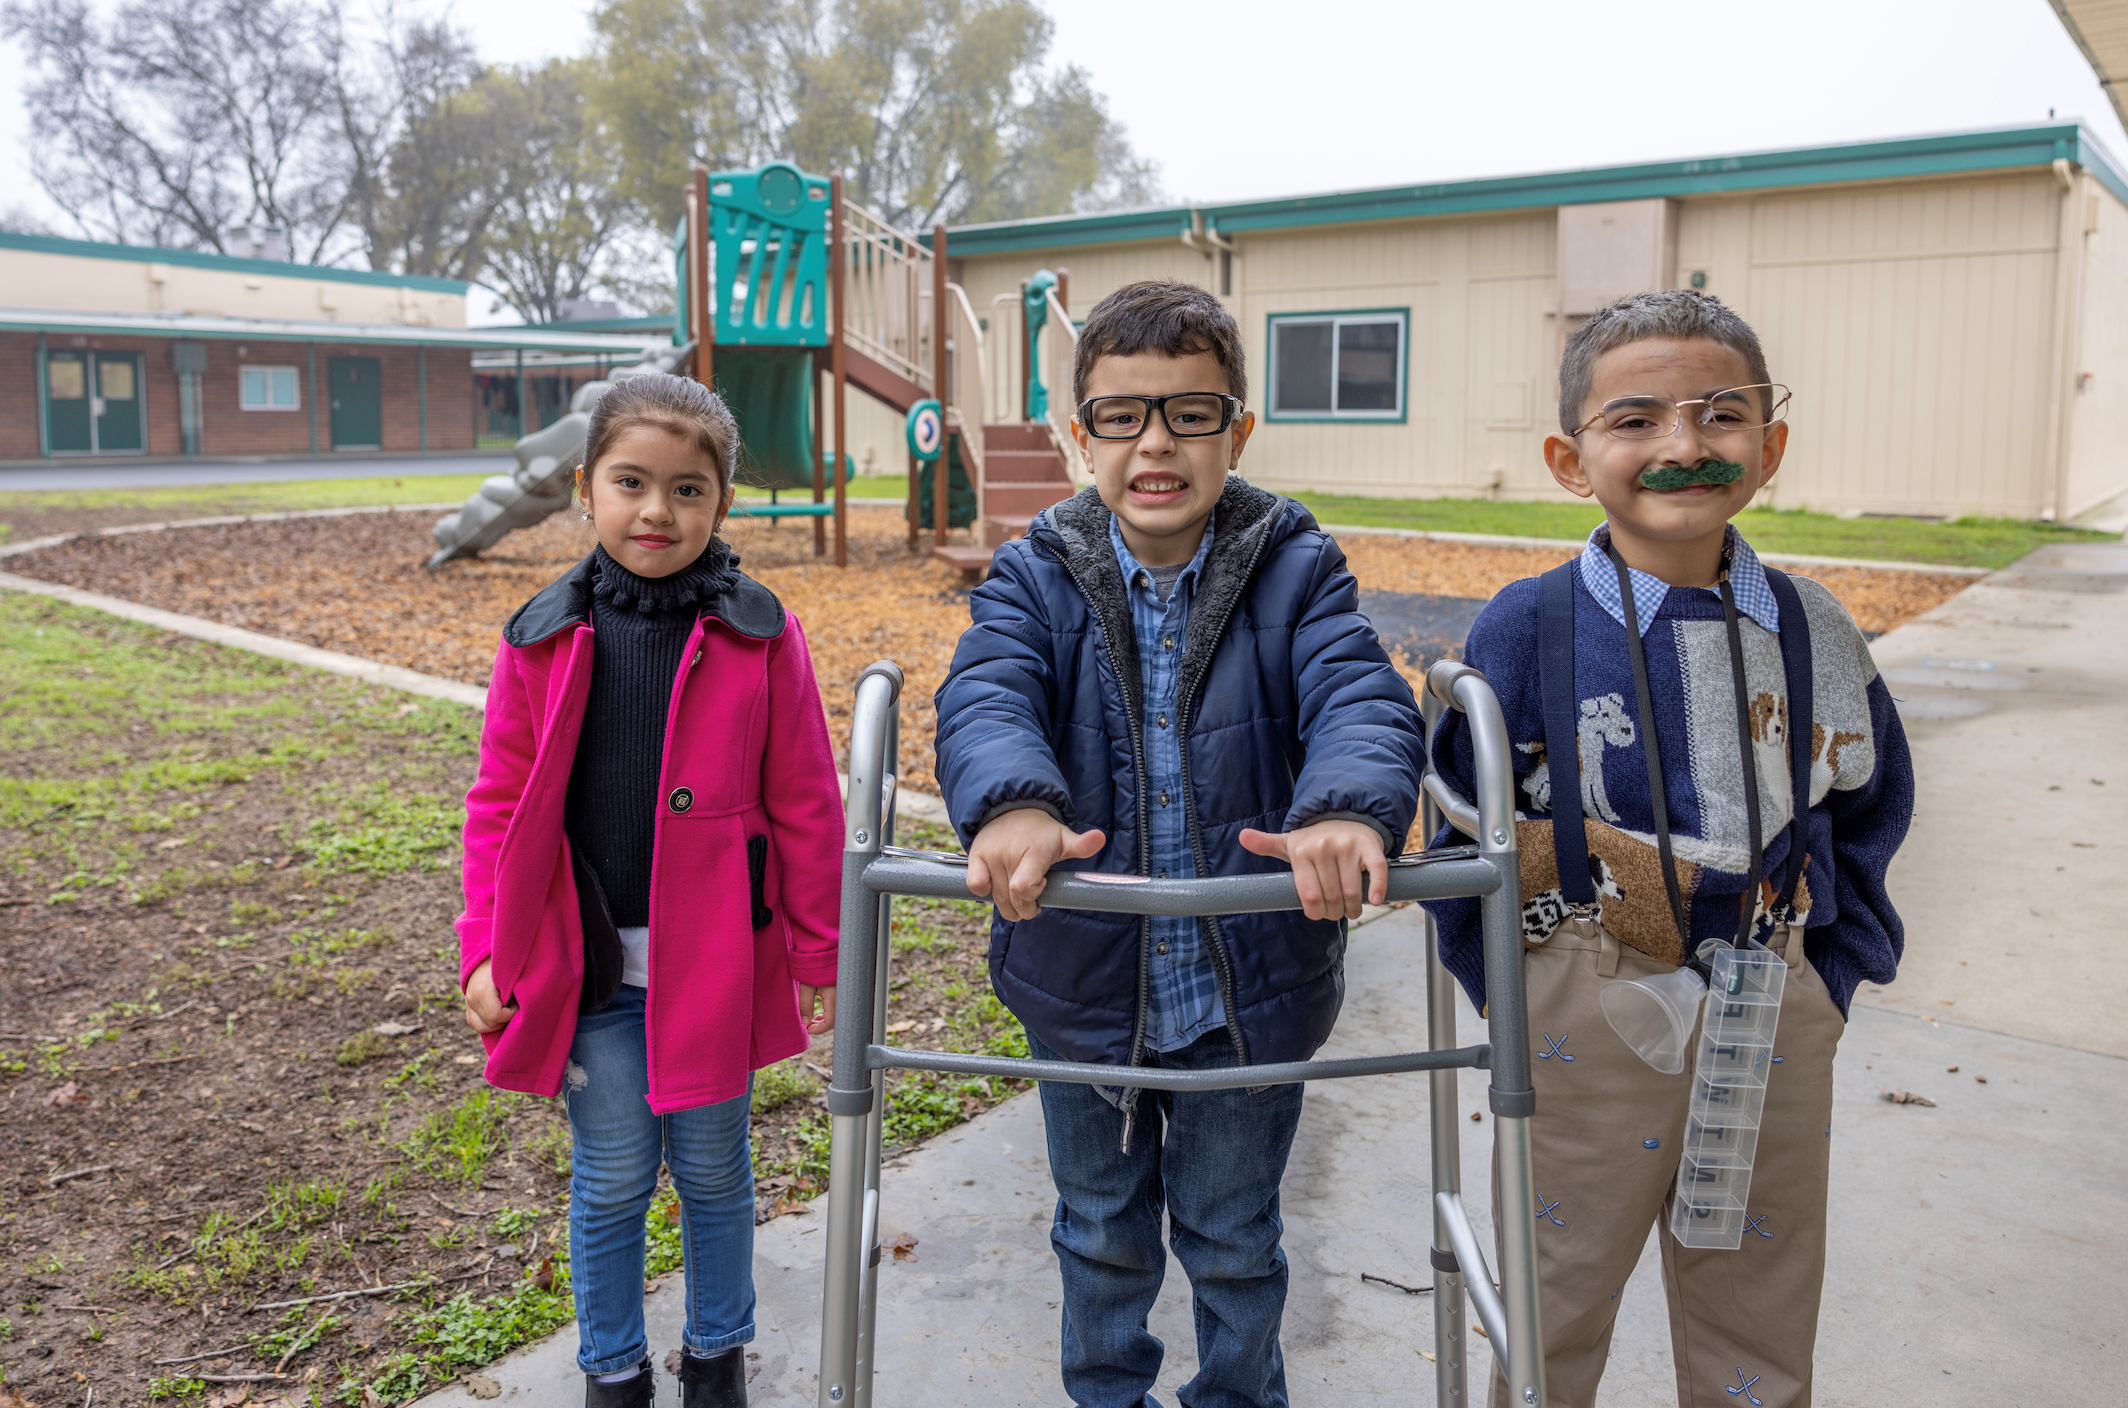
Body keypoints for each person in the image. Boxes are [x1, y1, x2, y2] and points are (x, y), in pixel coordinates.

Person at [933, 280, 1426, 1408]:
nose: (1156, 442)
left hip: (1244, 990)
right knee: (1099, 1232)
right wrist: (1011, 801)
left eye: (1190, 413)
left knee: (1235, 1237)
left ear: (1236, 428)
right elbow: (988, 692)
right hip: (1086, 983)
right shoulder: (1034, 572)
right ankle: (1108, 1398)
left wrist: (1345, 807)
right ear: (1078, 434)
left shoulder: (1294, 564)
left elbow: (1356, 690)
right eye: (1121, 415)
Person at [1423, 289, 1913, 1408]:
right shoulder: (1526, 624)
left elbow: (1871, 802)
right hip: (1580, 1009)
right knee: (1555, 1299)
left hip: (1772, 1001)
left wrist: (1832, 975)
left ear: (1770, 443)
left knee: (1762, 1305)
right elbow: (1457, 815)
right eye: (1635, 420)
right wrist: (1512, 995)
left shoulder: (1814, 627)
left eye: (1720, 415)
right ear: (1568, 455)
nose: (1683, 447)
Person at [456, 373, 842, 1408]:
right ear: (586, 488)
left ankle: (717, 1357)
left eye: (687, 489)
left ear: (723, 504)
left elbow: (806, 798)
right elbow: (497, 807)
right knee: (614, 1176)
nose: (657, 510)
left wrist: (818, 951)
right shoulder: (538, 639)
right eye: (631, 482)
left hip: (712, 969)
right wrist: (484, 948)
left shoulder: (761, 635)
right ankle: (613, 1370)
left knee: (715, 1173)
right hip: (587, 977)